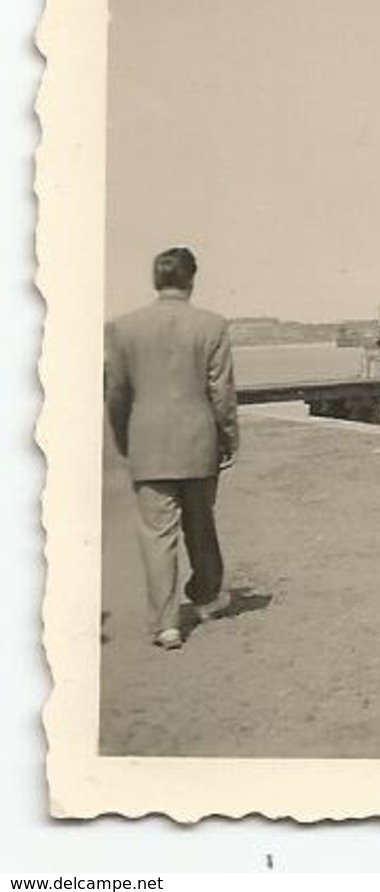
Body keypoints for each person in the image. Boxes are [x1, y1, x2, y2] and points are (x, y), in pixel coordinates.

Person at [104, 247, 239, 651]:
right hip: (199, 441)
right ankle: (206, 596)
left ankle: (166, 625)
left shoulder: (123, 328)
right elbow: (222, 393)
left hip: (147, 444)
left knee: (157, 536)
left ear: (155, 281)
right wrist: (229, 437)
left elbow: (117, 394)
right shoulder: (212, 326)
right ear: (191, 280)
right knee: (201, 524)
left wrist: (125, 437)